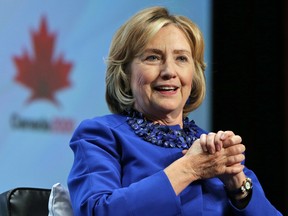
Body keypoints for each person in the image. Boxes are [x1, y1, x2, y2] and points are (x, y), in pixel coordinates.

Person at [67, 6, 283, 216]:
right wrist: (189, 169)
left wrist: (238, 186)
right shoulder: (101, 135)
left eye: (181, 58)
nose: (169, 71)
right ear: (125, 72)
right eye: (152, 57)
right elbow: (96, 210)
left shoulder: (215, 148)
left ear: (194, 74)